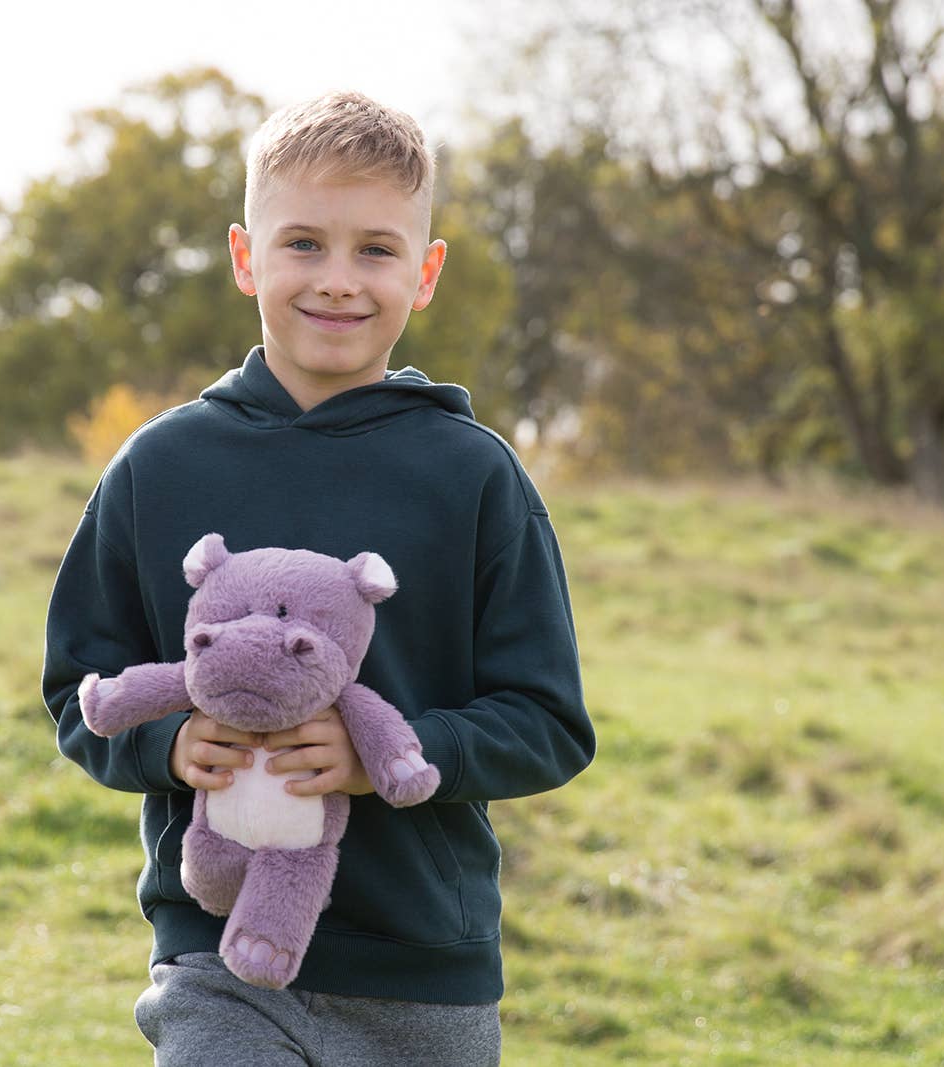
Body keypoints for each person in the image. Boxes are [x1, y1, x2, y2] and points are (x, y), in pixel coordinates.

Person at [42, 90, 596, 1067]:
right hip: (218, 966)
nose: (338, 280)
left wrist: (387, 754)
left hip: (423, 975)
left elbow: (546, 723)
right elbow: (79, 689)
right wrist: (172, 745)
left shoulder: (475, 476)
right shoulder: (158, 465)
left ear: (424, 274)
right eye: (302, 242)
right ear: (244, 254)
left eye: (375, 250)